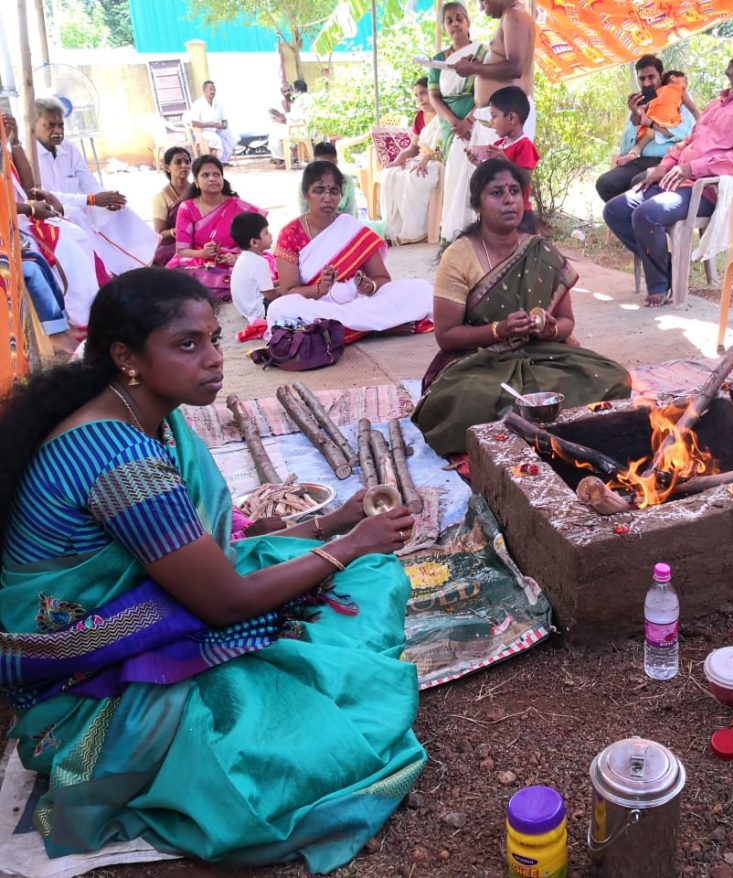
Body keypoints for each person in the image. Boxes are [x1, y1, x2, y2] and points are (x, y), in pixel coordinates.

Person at [0, 268, 425, 871]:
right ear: (127, 358)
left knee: (360, 579)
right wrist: (350, 545)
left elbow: (204, 549)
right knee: (322, 738)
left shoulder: (150, 417)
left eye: (214, 338)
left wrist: (332, 527)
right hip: (86, 676)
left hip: (152, 602)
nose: (215, 360)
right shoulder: (120, 460)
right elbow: (224, 602)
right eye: (187, 345)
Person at [412, 159, 629, 456]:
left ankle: (547, 438)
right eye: (496, 192)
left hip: (541, 354)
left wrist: (551, 329)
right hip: (479, 360)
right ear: (477, 204)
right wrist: (498, 330)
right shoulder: (459, 256)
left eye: (514, 191)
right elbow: (446, 335)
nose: (508, 200)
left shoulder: (541, 251)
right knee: (468, 402)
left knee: (613, 378)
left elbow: (567, 322)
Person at [603, 39, 733, 308]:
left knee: (646, 213)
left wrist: (690, 169)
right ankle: (670, 271)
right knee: (616, 210)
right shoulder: (716, 104)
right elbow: (686, 142)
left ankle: (660, 284)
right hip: (677, 178)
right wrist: (665, 166)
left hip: (707, 190)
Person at [268, 161, 433, 333]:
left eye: (334, 191)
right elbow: (288, 292)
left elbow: (382, 279)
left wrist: (369, 286)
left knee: (422, 290)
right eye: (319, 190)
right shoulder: (291, 233)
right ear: (305, 195)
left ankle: (350, 329)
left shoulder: (352, 229)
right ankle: (375, 328)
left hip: (359, 303)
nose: (327, 198)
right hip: (316, 305)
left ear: (340, 195)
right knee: (280, 309)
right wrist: (319, 288)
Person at [31, 97, 159, 277]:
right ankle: (103, 273)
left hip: (81, 205)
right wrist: (91, 200)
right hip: (50, 214)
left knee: (119, 208)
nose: (58, 131)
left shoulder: (68, 148)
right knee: (76, 216)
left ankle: (141, 263)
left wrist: (105, 198)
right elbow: (45, 196)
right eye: (51, 125)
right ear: (33, 125)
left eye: (61, 125)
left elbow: (88, 181)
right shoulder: (28, 154)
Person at [4, 112, 101, 333]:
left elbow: (28, 187)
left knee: (78, 235)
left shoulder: (4, 154)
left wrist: (15, 142)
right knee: (64, 249)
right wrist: (30, 209)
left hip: (22, 220)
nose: (57, 130)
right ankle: (73, 321)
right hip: (10, 228)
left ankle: (87, 314)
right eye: (51, 125)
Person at [594, 55, 696, 203]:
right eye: (642, 79)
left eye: (651, 77)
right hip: (639, 160)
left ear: (661, 75)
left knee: (637, 183)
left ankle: (641, 222)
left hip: (666, 160)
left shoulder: (678, 96)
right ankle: (627, 223)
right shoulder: (640, 101)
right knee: (605, 183)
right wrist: (635, 114)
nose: (647, 83)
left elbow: (686, 132)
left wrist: (651, 124)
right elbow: (627, 145)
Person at [166, 154, 264, 299]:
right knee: (174, 276)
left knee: (259, 267)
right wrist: (202, 254)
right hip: (199, 260)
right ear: (196, 182)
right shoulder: (187, 207)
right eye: (205, 175)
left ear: (222, 179)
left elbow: (260, 241)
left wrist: (239, 257)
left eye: (216, 174)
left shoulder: (238, 206)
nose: (212, 178)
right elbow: (182, 251)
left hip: (233, 260)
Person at [431, 1, 487, 244]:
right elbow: (434, 96)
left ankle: (483, 233)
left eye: (459, 18)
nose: (455, 24)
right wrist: (455, 122)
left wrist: (471, 120)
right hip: (451, 127)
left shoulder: (483, 54)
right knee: (456, 175)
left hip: (481, 120)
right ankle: (456, 237)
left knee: (480, 175)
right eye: (449, 20)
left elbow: (489, 91)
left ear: (468, 22)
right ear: (444, 27)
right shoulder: (437, 60)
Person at [453, 0, 536, 142]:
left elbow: (515, 68)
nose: (482, 8)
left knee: (501, 165)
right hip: (500, 116)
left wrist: (475, 68)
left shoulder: (514, 15)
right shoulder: (511, 15)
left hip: (508, 116)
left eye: (483, 1)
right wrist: (479, 67)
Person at [468, 85, 539, 234]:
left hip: (519, 213)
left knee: (521, 252)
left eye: (494, 116)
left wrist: (504, 160)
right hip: (498, 211)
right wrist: (479, 164)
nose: (491, 121)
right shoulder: (499, 145)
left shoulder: (524, 145)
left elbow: (525, 180)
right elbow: (493, 176)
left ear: (512, 118)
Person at [381, 77, 442, 245]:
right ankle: (396, 229)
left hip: (439, 160)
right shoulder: (420, 116)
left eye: (423, 93)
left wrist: (429, 158)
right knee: (390, 174)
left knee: (414, 177)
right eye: (417, 95)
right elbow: (413, 147)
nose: (420, 99)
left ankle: (417, 231)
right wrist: (402, 156)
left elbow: (446, 148)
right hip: (420, 158)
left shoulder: (445, 114)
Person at [229, 211, 275, 322]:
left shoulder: (244, 258)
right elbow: (270, 295)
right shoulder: (259, 262)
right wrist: (287, 289)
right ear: (254, 242)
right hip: (260, 311)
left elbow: (261, 286)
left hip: (244, 310)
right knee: (292, 297)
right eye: (266, 233)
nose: (271, 235)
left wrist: (282, 282)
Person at [151, 146, 191, 266]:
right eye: (178, 162)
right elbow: (160, 233)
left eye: (187, 162)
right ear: (167, 168)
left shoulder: (199, 191)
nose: (184, 165)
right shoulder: (161, 197)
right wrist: (176, 231)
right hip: (175, 243)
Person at [297, 142, 358, 218]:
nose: (327, 170)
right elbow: (304, 215)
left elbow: (350, 213)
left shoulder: (346, 181)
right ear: (314, 163)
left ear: (336, 162)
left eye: (331, 165)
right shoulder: (305, 183)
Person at [188, 80, 238, 162]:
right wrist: (211, 124)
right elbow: (194, 123)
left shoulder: (218, 103)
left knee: (233, 136)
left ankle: (224, 160)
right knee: (216, 139)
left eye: (214, 89)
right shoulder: (198, 104)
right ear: (204, 91)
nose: (213, 92)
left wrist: (223, 125)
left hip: (218, 129)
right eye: (211, 89)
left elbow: (224, 120)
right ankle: (217, 161)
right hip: (204, 132)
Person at [269, 79, 309, 167]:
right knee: (274, 132)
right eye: (285, 91)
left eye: (290, 90)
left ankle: (284, 159)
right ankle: (281, 159)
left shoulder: (299, 100)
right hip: (298, 126)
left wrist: (283, 119)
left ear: (296, 90)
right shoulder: (305, 98)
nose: (288, 92)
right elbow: (293, 116)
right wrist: (282, 118)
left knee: (275, 134)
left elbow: (295, 117)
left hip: (299, 128)